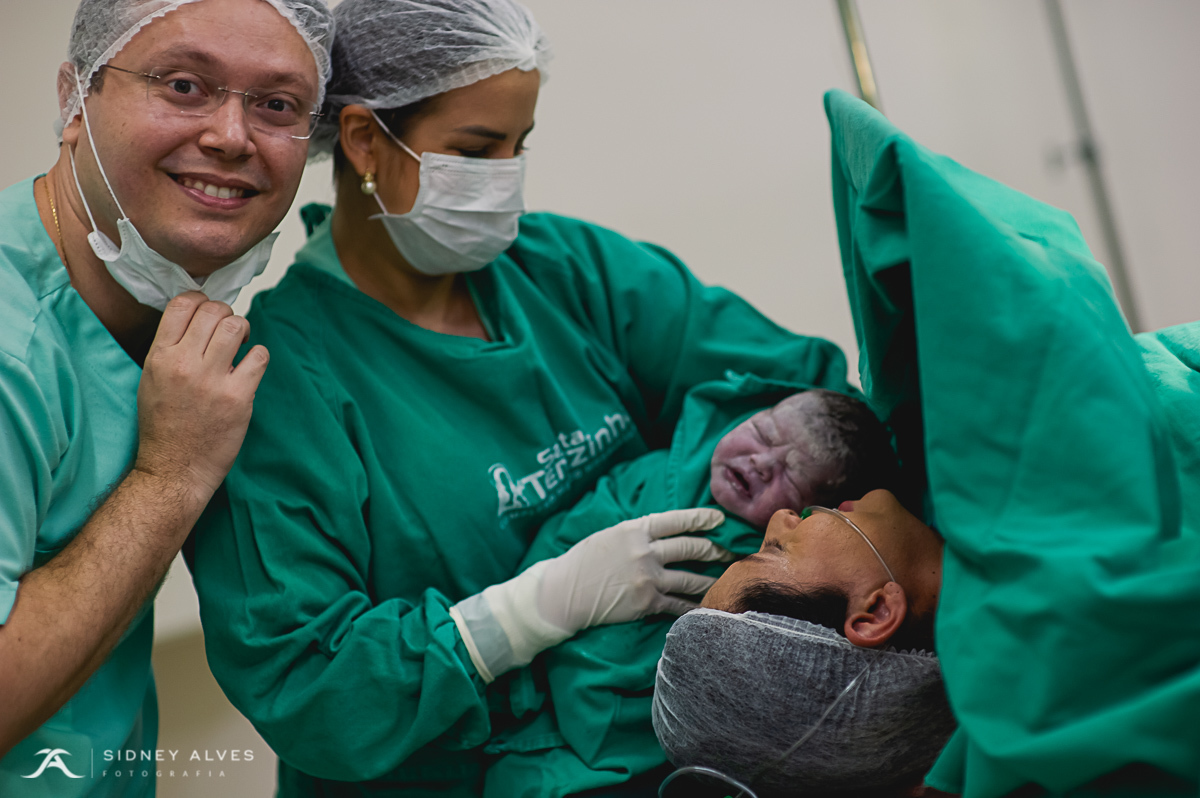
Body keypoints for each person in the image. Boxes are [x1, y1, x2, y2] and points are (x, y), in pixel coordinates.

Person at [186, 0, 851, 795]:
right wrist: (528, 613)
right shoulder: (282, 379)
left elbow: (806, 401)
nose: (506, 177)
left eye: (518, 145)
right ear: (363, 139)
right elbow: (312, 689)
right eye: (476, 149)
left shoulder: (560, 268)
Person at [651, 90, 1200, 797]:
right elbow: (1014, 280)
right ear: (875, 612)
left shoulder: (935, 514)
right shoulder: (1043, 604)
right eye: (774, 551)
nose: (780, 517)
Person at [0, 1, 333, 795]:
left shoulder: (153, 305)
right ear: (74, 100)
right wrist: (170, 476)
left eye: (277, 104)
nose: (232, 136)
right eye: (184, 86)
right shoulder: (14, 348)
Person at [482, 378, 900, 794]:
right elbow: (563, 537)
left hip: (603, 738)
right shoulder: (661, 471)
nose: (760, 461)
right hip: (527, 670)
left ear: (814, 514)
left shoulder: (779, 575)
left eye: (792, 474)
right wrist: (541, 600)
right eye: (762, 432)